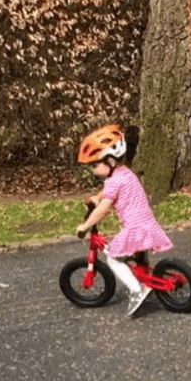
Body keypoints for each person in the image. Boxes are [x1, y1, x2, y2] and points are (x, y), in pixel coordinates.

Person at [75, 124, 173, 316]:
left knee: (113, 257)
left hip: (135, 228)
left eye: (95, 165)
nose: (94, 169)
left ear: (110, 161)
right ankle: (145, 279)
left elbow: (103, 209)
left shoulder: (114, 180)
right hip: (147, 224)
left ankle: (137, 291)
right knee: (135, 254)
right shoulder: (124, 173)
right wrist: (97, 197)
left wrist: (85, 226)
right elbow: (109, 191)